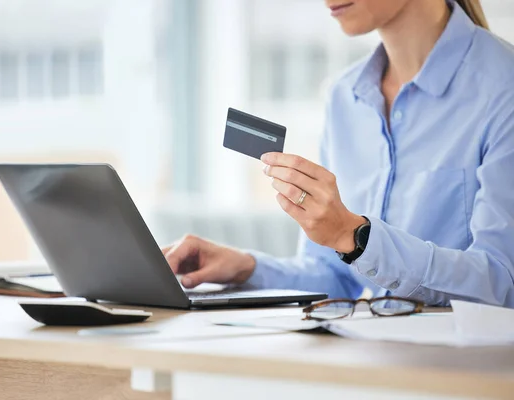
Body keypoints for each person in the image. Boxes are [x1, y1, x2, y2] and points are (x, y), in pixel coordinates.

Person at [163, 0, 514, 307]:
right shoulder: (344, 97)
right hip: (362, 361)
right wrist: (245, 267)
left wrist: (356, 236)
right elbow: (334, 277)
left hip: (461, 375)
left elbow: (500, 282)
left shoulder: (502, 88)